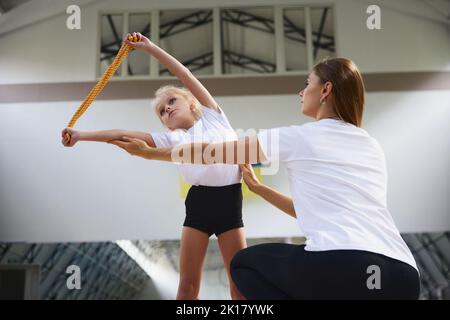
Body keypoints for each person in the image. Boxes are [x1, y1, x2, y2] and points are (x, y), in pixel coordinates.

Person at [108, 57, 420, 299]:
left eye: (307, 84)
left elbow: (212, 152)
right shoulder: (370, 144)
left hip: (341, 266)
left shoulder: (298, 136)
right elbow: (309, 211)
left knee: (242, 264)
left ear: (325, 90)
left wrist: (149, 153)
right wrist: (259, 188)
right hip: (402, 274)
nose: (302, 91)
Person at [61, 32, 246, 300]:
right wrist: (81, 136)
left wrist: (150, 48)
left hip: (229, 200)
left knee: (239, 282)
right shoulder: (170, 138)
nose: (167, 109)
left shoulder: (214, 116)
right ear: (164, 124)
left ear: (191, 102)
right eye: (161, 111)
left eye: (172, 101)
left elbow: (183, 74)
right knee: (187, 286)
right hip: (200, 202)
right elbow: (121, 134)